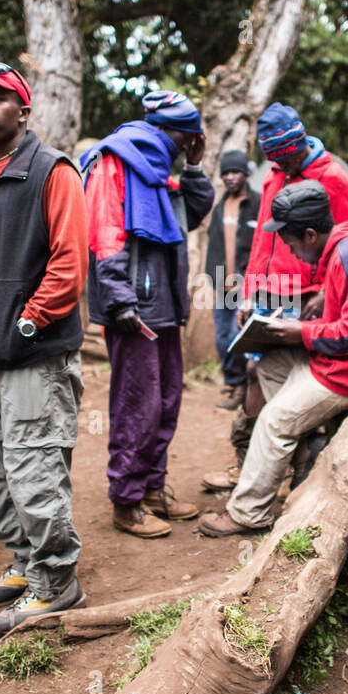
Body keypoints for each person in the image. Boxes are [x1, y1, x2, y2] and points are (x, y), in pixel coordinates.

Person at [0, 61, 89, 634]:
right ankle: (26, 562)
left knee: (33, 467)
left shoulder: (51, 171)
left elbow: (70, 263)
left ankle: (57, 583)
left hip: (31, 355)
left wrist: (27, 323)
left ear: (22, 110)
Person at [199, 181, 348, 537]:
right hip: (341, 360)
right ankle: (303, 449)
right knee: (268, 364)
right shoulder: (341, 249)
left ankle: (248, 514)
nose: (291, 252)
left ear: (310, 234)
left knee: (273, 421)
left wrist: (302, 333)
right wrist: (295, 328)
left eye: (291, 242)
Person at [82, 91, 215, 538]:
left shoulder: (161, 171)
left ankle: (153, 488)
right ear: (169, 131)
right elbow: (105, 232)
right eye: (188, 139)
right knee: (136, 404)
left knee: (165, 401)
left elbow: (190, 214)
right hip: (133, 308)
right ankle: (126, 499)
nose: (188, 146)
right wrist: (119, 300)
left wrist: (194, 168)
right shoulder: (115, 160)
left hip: (164, 308)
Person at [240, 103, 348, 320]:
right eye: (274, 160)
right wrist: (248, 291)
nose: (281, 165)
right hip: (266, 295)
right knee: (258, 354)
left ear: (298, 145)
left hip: (307, 298)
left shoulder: (332, 177)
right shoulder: (273, 176)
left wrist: (327, 291)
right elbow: (261, 239)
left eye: (285, 158)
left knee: (299, 355)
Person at [205, 149, 260, 410]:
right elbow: (213, 245)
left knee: (240, 337)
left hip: (247, 284)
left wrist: (253, 281)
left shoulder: (258, 204)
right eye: (226, 173)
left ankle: (241, 389)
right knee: (222, 338)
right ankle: (233, 382)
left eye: (235, 172)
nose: (230, 177)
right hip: (221, 283)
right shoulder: (219, 208)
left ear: (246, 173)